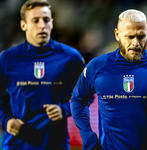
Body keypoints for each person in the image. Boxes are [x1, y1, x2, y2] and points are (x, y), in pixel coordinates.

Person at [70, 9, 147, 150]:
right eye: (130, 37)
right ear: (117, 34)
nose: (136, 43)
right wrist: (88, 137)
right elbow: (78, 99)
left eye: (141, 36)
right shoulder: (97, 66)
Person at [0, 0, 85, 149]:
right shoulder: (7, 59)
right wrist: (5, 120)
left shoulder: (71, 57)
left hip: (55, 145)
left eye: (46, 20)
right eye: (35, 20)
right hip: (17, 145)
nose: (42, 25)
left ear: (51, 23)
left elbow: (88, 94)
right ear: (23, 25)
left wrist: (65, 109)